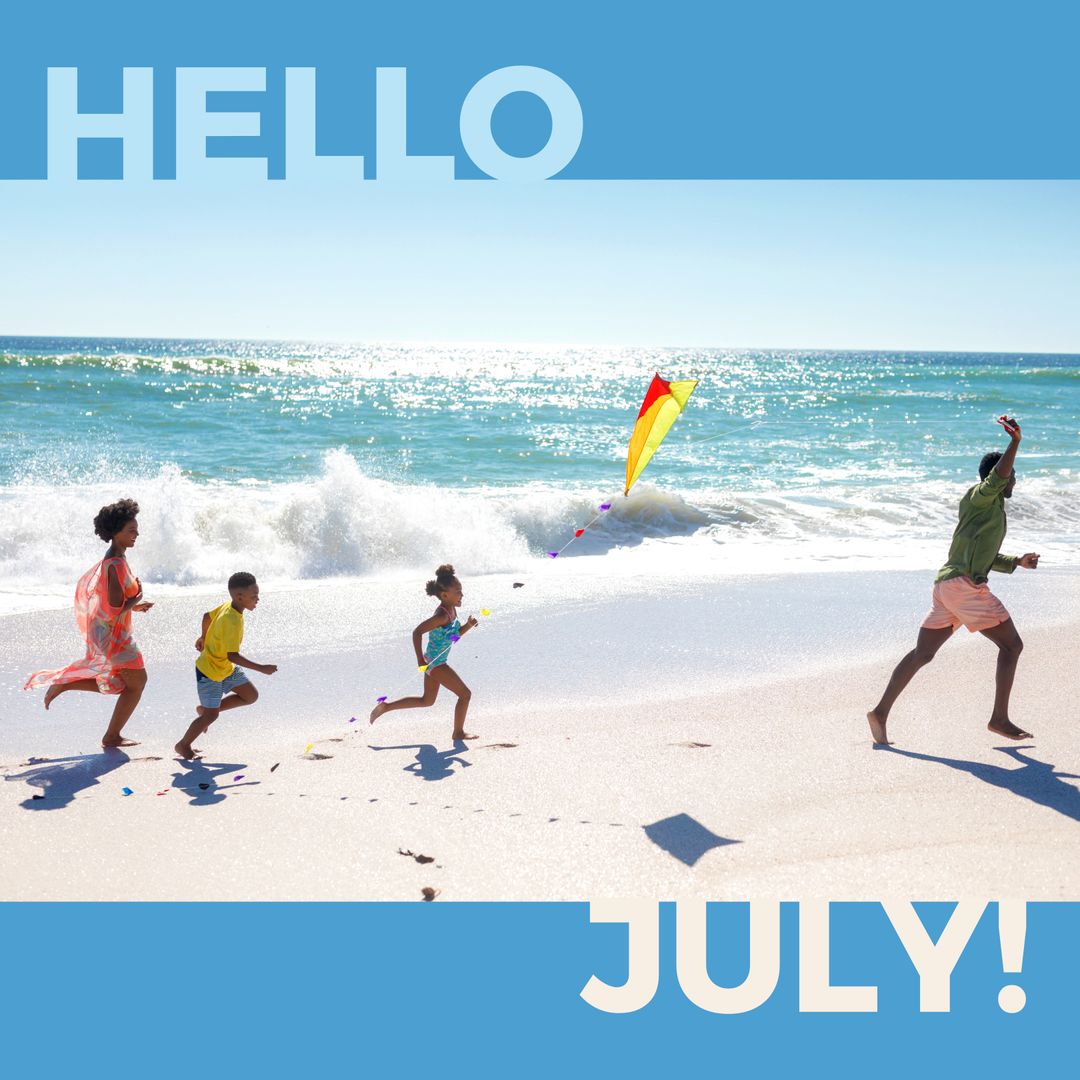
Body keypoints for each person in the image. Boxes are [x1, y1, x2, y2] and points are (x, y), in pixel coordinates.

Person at [867, 417, 1040, 745]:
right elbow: (997, 477)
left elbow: (983, 557)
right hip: (962, 587)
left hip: (947, 587)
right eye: (1012, 475)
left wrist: (1016, 561)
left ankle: (880, 712)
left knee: (923, 654)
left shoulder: (990, 511)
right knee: (1012, 645)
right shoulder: (980, 497)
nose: (1014, 479)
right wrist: (1015, 442)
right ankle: (999, 719)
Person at [25, 498, 154, 748]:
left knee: (124, 683)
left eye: (136, 530)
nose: (136, 534)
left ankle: (68, 687)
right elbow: (111, 610)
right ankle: (110, 735)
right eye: (131, 530)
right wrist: (134, 600)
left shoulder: (117, 556)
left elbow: (109, 602)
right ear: (115, 533)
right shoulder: (115, 563)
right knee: (136, 683)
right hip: (110, 633)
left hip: (109, 630)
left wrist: (134, 606)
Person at [369, 563, 479, 740]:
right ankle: (458, 732)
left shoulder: (451, 611)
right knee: (465, 695)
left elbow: (452, 638)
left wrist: (468, 626)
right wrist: (420, 661)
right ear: (444, 595)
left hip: (434, 661)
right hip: (435, 663)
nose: (462, 595)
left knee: (427, 701)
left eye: (461, 590)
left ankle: (386, 707)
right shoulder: (441, 616)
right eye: (458, 591)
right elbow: (417, 632)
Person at [174, 571, 277, 759]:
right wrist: (262, 668)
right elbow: (233, 656)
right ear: (240, 596)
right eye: (254, 596)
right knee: (211, 717)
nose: (258, 599)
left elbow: (207, 616)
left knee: (250, 695)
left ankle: (205, 710)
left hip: (224, 668)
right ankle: (183, 745)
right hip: (210, 672)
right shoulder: (231, 621)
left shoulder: (230, 607)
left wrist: (203, 637)